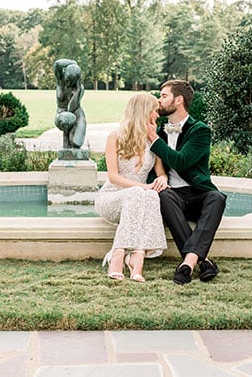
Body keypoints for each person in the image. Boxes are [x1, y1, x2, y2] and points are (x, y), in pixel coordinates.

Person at [147, 80, 226, 285]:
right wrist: (161, 176)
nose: (159, 99)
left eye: (164, 96)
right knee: (163, 195)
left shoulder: (200, 130)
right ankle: (199, 262)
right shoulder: (159, 130)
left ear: (179, 100)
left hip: (197, 192)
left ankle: (188, 262)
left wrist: (154, 141)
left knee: (217, 198)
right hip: (173, 195)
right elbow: (153, 167)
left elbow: (182, 161)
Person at [95, 93, 169, 282]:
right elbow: (113, 177)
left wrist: (163, 178)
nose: (157, 115)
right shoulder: (115, 136)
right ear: (144, 111)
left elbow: (160, 171)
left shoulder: (154, 139)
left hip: (138, 197)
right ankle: (117, 257)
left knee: (152, 196)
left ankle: (137, 259)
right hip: (112, 198)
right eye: (154, 110)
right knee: (140, 192)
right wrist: (143, 186)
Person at [53, 58, 86, 149]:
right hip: (62, 113)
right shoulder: (60, 81)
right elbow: (57, 64)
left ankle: (72, 139)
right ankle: (66, 143)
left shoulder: (78, 89)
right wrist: (74, 63)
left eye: (71, 81)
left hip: (76, 113)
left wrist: (77, 92)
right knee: (66, 118)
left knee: (76, 143)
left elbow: (72, 108)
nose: (68, 82)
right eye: (67, 78)